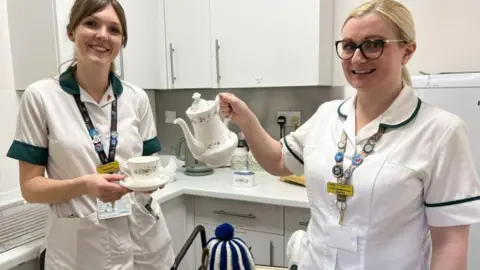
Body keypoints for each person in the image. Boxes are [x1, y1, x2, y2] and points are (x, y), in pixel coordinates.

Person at [219, 0, 480, 269]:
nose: (357, 57)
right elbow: (278, 161)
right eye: (348, 45)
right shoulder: (327, 115)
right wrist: (244, 118)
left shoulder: (441, 131)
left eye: (373, 44)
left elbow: (450, 243)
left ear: (407, 51)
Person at [6, 0, 174, 269]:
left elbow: (147, 167)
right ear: (71, 31)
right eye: (91, 23)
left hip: (145, 245)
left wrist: (151, 181)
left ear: (121, 42)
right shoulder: (41, 97)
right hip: (81, 251)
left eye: (114, 29)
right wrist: (86, 185)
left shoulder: (136, 98)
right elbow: (31, 188)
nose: (102, 35)